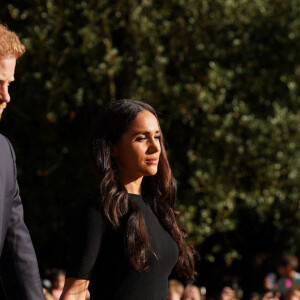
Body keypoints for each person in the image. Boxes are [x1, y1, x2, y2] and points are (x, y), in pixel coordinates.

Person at [60, 99, 197, 300]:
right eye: (142, 138)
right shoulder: (99, 208)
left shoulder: (158, 207)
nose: (155, 147)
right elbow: (75, 292)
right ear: (113, 147)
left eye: (157, 137)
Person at [0, 24, 44, 299]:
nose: (6, 96)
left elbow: (18, 250)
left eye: (8, 84)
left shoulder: (4, 153)